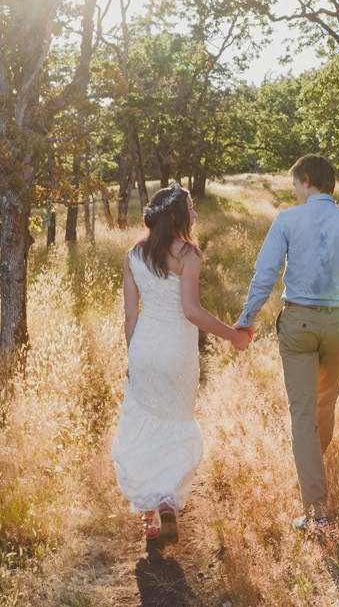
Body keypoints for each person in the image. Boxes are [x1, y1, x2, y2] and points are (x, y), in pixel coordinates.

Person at [234, 154, 339, 534]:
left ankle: (317, 513)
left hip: (299, 324)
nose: (293, 192)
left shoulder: (288, 220)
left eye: (294, 186)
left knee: (303, 415)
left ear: (307, 181)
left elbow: (266, 274)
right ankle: (312, 476)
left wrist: (247, 319)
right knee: (324, 406)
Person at [112, 183, 250, 543]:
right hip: (177, 354)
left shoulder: (132, 256)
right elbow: (191, 311)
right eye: (190, 208)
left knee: (145, 427)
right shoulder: (188, 254)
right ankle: (167, 501)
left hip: (144, 349)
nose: (195, 214)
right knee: (175, 424)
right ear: (176, 215)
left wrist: (133, 356)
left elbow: (130, 317)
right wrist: (232, 335)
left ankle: (149, 517)